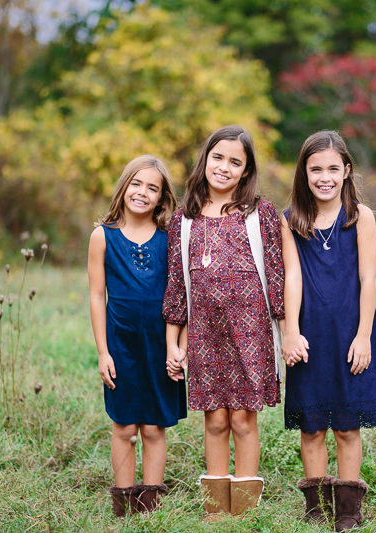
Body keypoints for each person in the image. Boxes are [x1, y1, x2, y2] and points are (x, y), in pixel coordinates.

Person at [163, 125, 285, 521]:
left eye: (236, 162)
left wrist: (287, 330)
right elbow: (177, 285)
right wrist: (173, 342)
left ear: (246, 171)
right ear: (205, 160)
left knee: (244, 418)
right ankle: (217, 512)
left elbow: (277, 274)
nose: (225, 167)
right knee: (215, 419)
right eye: (218, 157)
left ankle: (245, 512)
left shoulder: (259, 213)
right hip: (205, 334)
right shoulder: (184, 219)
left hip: (250, 330)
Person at [280, 130, 376, 531]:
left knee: (346, 424)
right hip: (309, 335)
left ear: (346, 171)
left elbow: (369, 279)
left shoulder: (361, 218)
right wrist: (289, 330)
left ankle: (348, 512)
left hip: (350, 334)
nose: (324, 176)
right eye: (315, 169)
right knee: (311, 425)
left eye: (332, 168)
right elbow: (291, 277)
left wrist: (362, 335)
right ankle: (316, 508)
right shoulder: (290, 221)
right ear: (304, 173)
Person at [88, 155, 187, 517]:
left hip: (160, 346)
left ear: (162, 197)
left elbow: (181, 298)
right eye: (136, 184)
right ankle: (123, 502)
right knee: (124, 424)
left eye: (152, 188)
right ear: (124, 186)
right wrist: (103, 351)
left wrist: (179, 348)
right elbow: (98, 296)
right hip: (122, 345)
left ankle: (150, 503)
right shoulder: (103, 237)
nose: (142, 192)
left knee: (154, 426)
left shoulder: (170, 238)